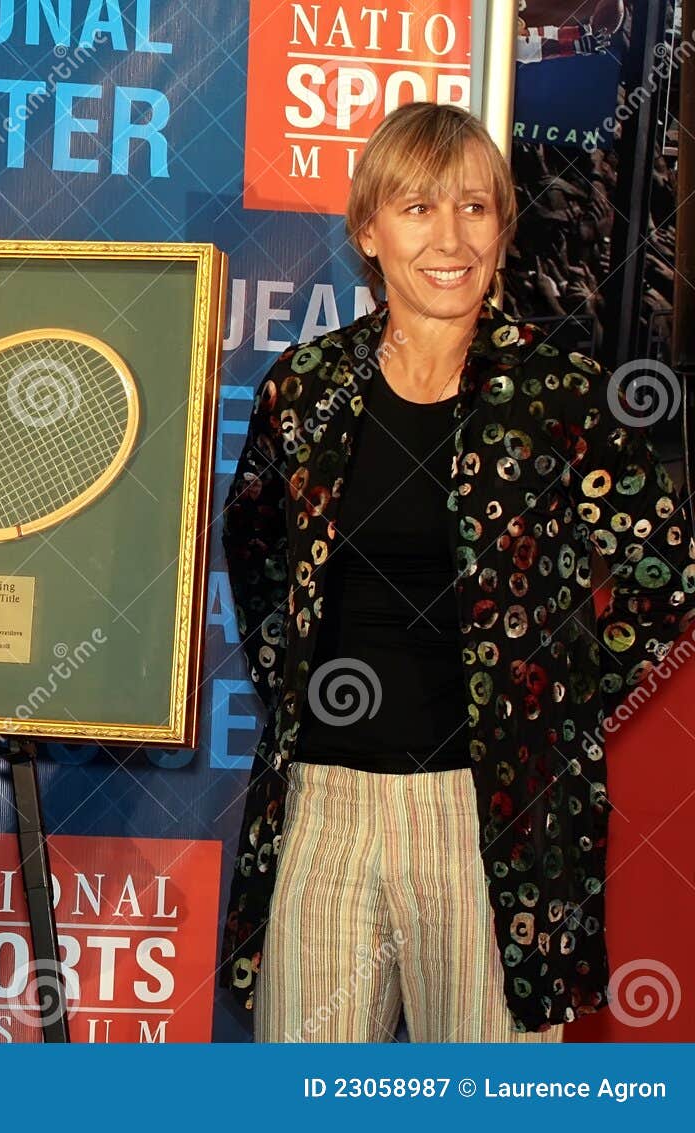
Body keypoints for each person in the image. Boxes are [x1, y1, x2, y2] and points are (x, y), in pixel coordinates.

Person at [219, 101, 695, 1042]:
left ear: (502, 229)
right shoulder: (306, 389)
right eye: (417, 208)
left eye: (474, 209)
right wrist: (300, 696)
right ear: (368, 230)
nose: (449, 238)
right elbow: (258, 551)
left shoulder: (562, 396)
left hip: (493, 822)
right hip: (322, 813)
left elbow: (665, 571)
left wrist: (553, 695)